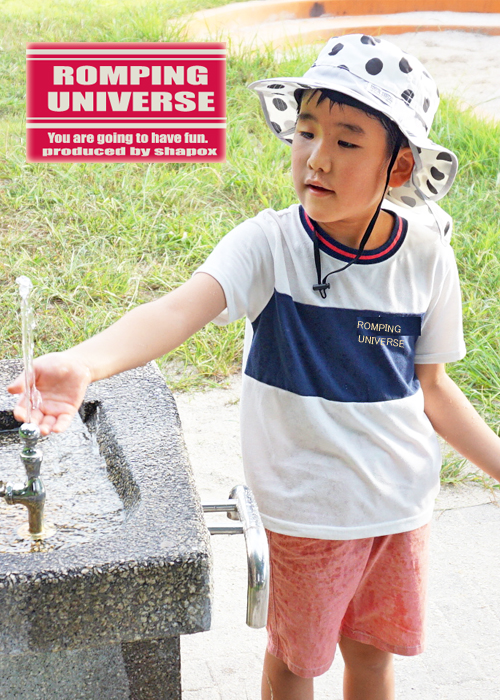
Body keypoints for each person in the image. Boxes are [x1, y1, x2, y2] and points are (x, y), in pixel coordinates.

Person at [8, 34, 500, 700]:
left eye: (347, 141)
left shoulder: (426, 254)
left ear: (400, 166)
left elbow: (434, 388)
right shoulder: (269, 245)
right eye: (307, 131)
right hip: (305, 515)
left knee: (372, 658)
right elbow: (179, 308)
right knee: (296, 664)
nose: (317, 157)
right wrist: (84, 364)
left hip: (399, 508)